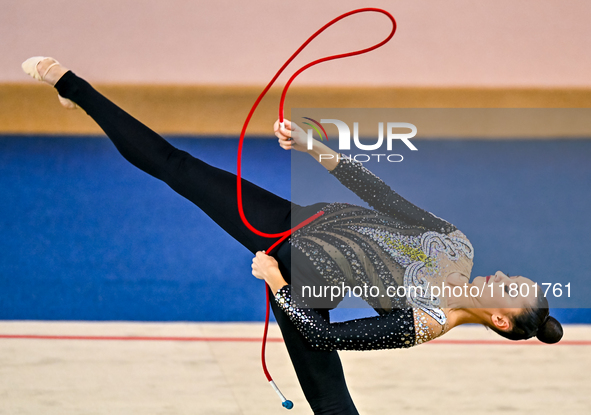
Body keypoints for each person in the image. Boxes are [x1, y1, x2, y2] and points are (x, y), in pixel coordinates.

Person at [22, 57, 563, 414]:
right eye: (519, 276)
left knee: (330, 399)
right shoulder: (457, 244)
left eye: (514, 288)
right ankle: (76, 91)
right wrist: (314, 148)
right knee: (178, 165)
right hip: (300, 216)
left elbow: (325, 337)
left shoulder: (428, 320)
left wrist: (278, 280)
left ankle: (69, 85)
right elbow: (382, 196)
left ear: (500, 318)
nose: (508, 274)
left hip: (297, 274)